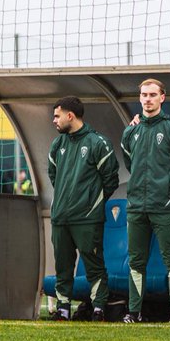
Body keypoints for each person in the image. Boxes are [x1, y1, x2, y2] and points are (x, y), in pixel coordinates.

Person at [119, 79, 170, 323]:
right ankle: (133, 312)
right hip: (136, 207)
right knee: (136, 262)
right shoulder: (131, 131)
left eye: (152, 94)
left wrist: (166, 188)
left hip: (164, 207)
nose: (147, 99)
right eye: (143, 95)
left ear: (162, 97)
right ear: (139, 98)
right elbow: (131, 163)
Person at [47, 96, 120, 321]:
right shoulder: (57, 145)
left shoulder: (98, 142)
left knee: (94, 265)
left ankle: (98, 308)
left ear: (70, 116)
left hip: (88, 218)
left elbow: (111, 179)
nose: (54, 121)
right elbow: (53, 176)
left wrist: (91, 201)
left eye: (57, 116)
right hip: (61, 218)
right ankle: (63, 309)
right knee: (63, 266)